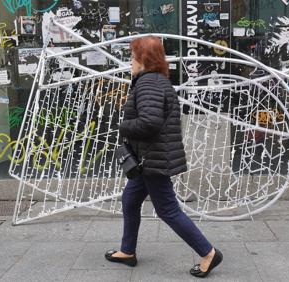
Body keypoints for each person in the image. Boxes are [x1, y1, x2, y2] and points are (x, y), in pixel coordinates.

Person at [104, 36, 223, 278]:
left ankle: (208, 253)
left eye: (132, 55)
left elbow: (150, 122)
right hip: (149, 158)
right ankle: (127, 251)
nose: (130, 61)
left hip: (152, 160)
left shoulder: (149, 83)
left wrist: (123, 126)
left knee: (167, 210)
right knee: (130, 199)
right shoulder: (156, 80)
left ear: (143, 58)